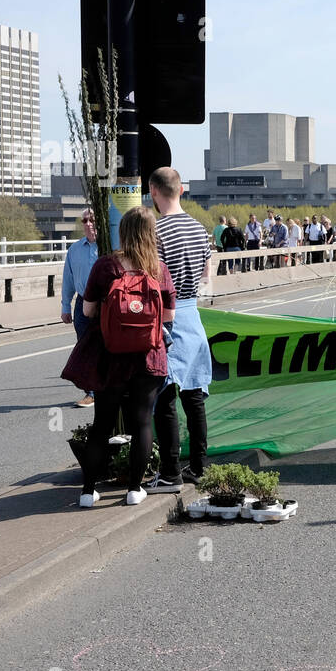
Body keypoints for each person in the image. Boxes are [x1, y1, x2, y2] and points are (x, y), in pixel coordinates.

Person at [72, 206, 175, 507]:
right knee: (142, 421)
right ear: (150, 234)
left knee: (102, 423)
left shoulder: (106, 266)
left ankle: (88, 492)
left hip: (111, 356)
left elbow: (88, 310)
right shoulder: (159, 268)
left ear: (123, 232)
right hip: (149, 356)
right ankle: (133, 489)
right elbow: (168, 317)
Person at [147, 168, 213, 489]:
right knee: (194, 397)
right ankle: (200, 466)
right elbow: (205, 277)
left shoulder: (156, 232)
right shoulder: (200, 229)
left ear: (153, 191)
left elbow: (154, 279)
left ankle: (171, 471)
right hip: (193, 315)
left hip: (168, 318)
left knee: (165, 398)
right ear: (181, 190)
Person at [60, 208, 100, 407]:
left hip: (106, 304)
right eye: (85, 221)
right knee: (85, 348)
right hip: (83, 303)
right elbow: (68, 280)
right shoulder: (74, 250)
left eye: (92, 220)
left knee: (108, 346)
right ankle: (91, 392)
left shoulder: (110, 246)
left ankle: (109, 388)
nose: (88, 224)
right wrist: (65, 306)